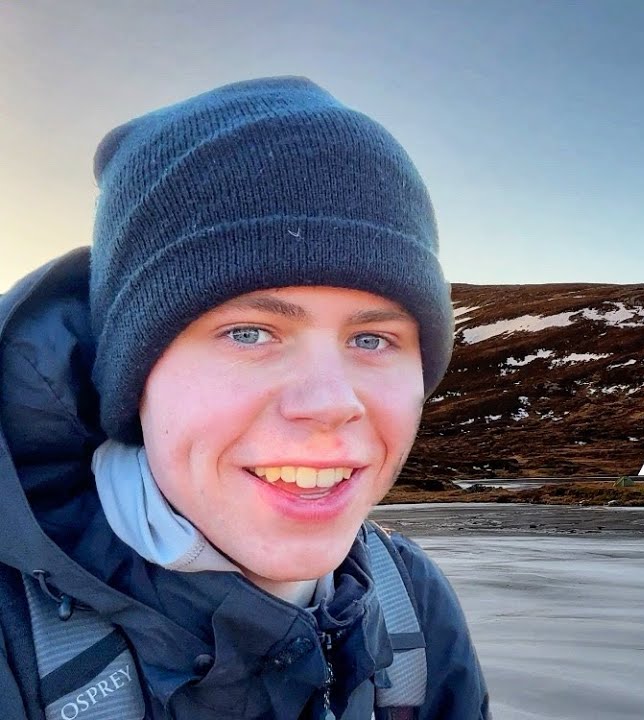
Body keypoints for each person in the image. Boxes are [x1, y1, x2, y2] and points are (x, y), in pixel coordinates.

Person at [0, 76, 490, 719]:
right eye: (250, 332)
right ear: (134, 374)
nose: (330, 402)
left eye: (372, 338)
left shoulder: (411, 606)